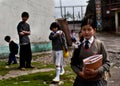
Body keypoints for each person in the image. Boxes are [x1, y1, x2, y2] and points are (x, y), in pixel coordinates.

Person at [70, 18, 110, 86]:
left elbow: (107, 63)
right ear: (81, 31)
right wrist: (80, 73)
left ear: (94, 30)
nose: (86, 32)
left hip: (97, 81)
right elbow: (73, 64)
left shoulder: (99, 44)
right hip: (81, 82)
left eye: (89, 29)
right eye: (84, 29)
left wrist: (97, 71)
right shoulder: (78, 45)